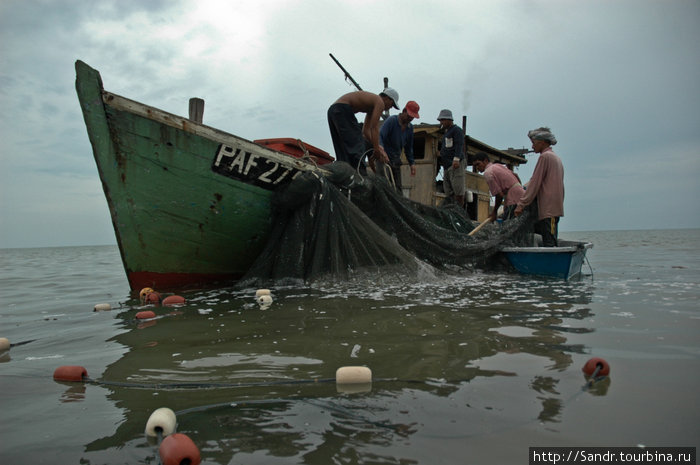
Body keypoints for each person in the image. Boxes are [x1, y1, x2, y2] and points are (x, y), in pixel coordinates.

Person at [514, 127, 564, 247]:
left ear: (542, 142)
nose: (532, 147)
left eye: (533, 143)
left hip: (549, 208)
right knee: (549, 237)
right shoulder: (554, 157)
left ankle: (550, 264)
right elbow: (536, 181)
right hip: (553, 206)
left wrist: (521, 204)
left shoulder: (545, 157)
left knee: (549, 241)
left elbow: (535, 183)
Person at [327, 88, 398, 172]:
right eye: (392, 104)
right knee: (358, 144)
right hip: (342, 109)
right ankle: (360, 173)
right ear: (387, 98)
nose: (390, 107)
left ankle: (344, 172)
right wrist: (376, 150)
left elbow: (366, 131)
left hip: (333, 111)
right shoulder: (380, 102)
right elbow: (374, 128)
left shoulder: (372, 105)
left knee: (343, 148)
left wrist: (378, 147)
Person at [377, 100, 420, 192]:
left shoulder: (410, 128)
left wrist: (412, 163)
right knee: (384, 186)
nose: (410, 119)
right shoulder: (392, 121)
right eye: (409, 116)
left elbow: (408, 148)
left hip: (395, 159)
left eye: (412, 118)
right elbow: (380, 135)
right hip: (384, 158)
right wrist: (381, 149)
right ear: (404, 111)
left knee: (398, 189)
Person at [472, 152, 525, 221]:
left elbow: (499, 195)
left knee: (508, 226)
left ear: (485, 161)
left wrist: (494, 212)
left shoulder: (488, 173)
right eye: (475, 166)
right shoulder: (498, 166)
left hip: (514, 200)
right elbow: (516, 176)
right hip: (522, 196)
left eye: (478, 164)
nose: (477, 167)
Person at [437, 109, 465, 207]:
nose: (441, 122)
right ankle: (451, 209)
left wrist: (456, 159)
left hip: (455, 164)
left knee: (458, 190)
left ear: (449, 120)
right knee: (448, 191)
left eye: (443, 120)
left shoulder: (456, 130)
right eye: (441, 120)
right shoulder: (446, 133)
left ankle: (459, 211)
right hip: (447, 165)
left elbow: (459, 144)